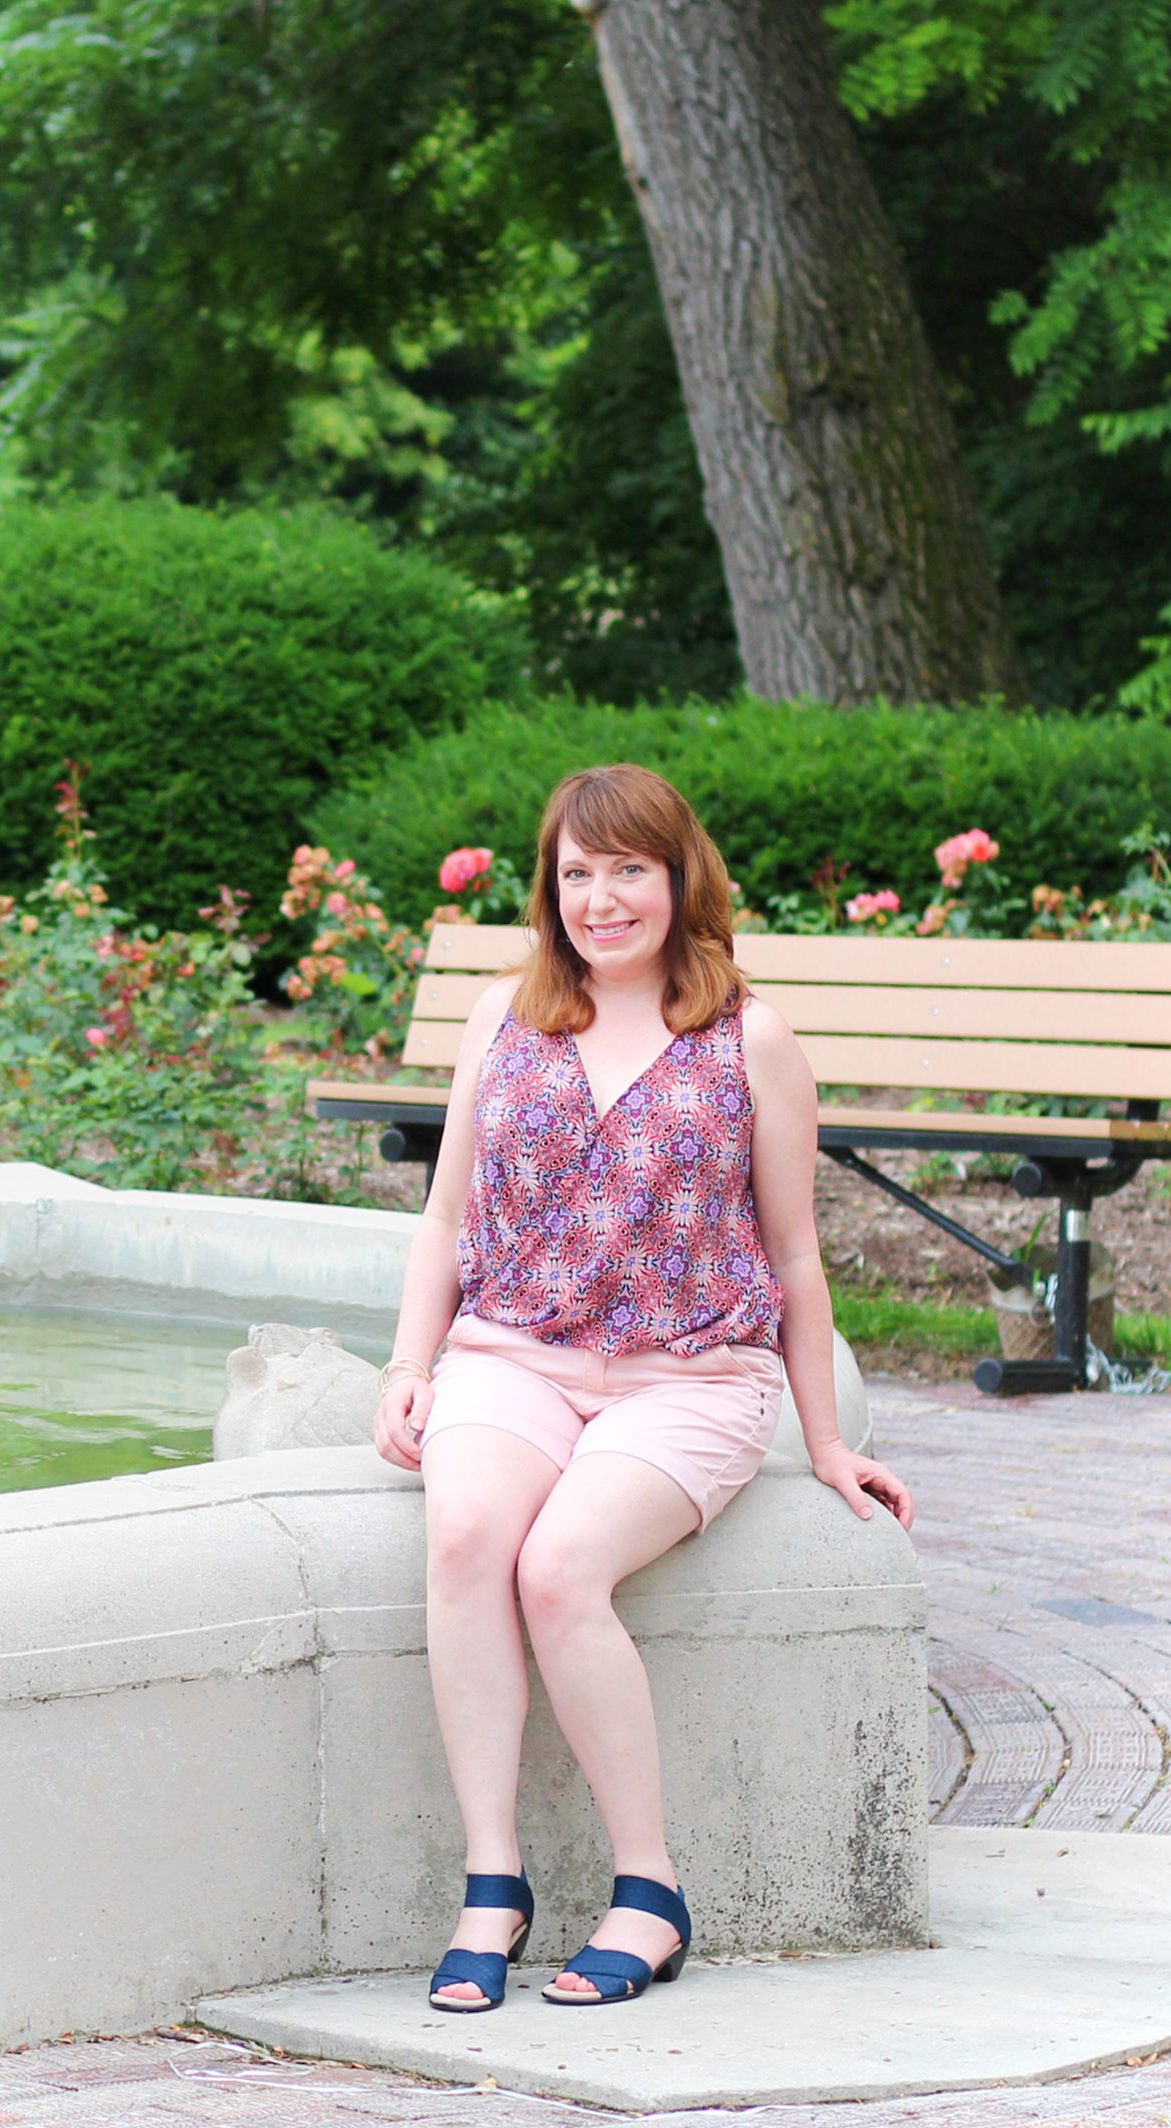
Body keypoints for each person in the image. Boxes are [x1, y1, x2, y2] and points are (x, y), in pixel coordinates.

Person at [373, 763, 913, 2013]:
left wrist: (825, 1442)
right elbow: (445, 1214)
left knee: (558, 1569)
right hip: (512, 1352)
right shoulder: (505, 1016)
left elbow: (792, 1256)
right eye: (576, 873)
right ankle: (492, 1882)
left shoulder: (749, 1037)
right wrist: (411, 1364)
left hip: (691, 1374)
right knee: (464, 1536)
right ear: (548, 889)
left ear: (679, 879)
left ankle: (648, 1889)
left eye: (628, 869)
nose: (601, 897)